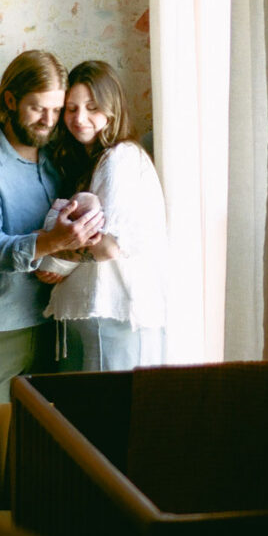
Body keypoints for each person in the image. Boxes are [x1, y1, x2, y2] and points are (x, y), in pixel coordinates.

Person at [0, 49, 105, 405]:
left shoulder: (56, 160)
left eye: (56, 109)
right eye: (37, 108)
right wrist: (52, 242)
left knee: (39, 445)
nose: (49, 121)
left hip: (52, 324)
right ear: (10, 100)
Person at [39, 60, 168, 372]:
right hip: (96, 315)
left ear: (112, 109)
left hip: (113, 314)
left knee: (108, 413)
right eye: (70, 108)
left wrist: (62, 256)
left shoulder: (119, 158)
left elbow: (108, 247)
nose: (79, 118)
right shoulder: (89, 161)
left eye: (92, 107)